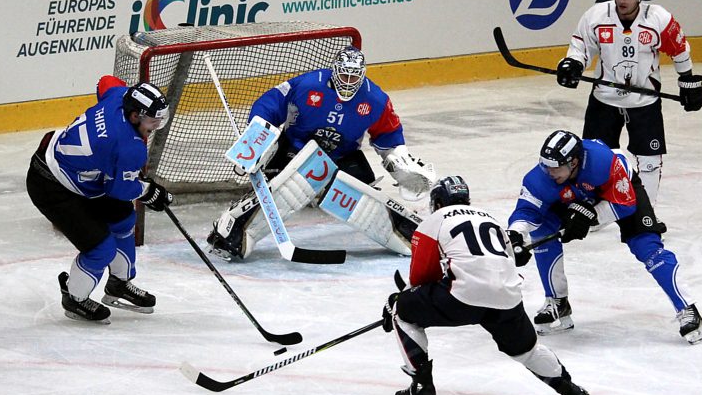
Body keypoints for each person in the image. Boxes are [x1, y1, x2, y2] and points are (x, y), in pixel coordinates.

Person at [381, 176, 594, 395]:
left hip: (461, 297)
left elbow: (421, 277)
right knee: (527, 351)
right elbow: (509, 263)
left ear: (438, 202)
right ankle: (570, 390)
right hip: (507, 299)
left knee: (401, 309)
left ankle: (420, 390)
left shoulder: (434, 221)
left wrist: (401, 299)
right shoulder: (490, 219)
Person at [207, 45, 435, 261]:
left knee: (364, 194)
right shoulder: (308, 85)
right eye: (344, 75)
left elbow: (388, 134)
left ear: (363, 75)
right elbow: (271, 102)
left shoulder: (375, 99)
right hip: (294, 152)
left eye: (354, 77)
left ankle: (410, 235)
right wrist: (256, 138)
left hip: (342, 157)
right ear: (334, 71)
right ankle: (233, 230)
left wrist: (398, 159)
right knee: (282, 189)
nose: (348, 82)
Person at [506, 130, 702, 344]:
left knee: (647, 247)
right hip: (578, 197)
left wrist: (591, 216)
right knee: (542, 228)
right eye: (545, 165)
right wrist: (516, 234)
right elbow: (528, 210)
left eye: (554, 167)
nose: (548, 172)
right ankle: (557, 301)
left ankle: (687, 308)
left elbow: (625, 204)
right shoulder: (541, 177)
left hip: (621, 193)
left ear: (573, 162)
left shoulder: (602, 162)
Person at [556, 0, 702, 219]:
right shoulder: (596, 16)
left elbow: (680, 48)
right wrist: (572, 64)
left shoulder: (658, 18)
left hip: (644, 101)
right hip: (604, 99)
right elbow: (580, 46)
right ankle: (591, 207)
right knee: (593, 155)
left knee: (649, 160)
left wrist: (688, 80)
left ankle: (645, 214)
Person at [26, 76, 174, 324]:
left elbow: (106, 81)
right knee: (101, 250)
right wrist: (148, 192)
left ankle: (119, 283)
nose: (157, 124)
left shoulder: (118, 96)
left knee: (125, 219)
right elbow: (119, 190)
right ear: (135, 116)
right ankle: (75, 298)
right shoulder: (129, 148)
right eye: (152, 119)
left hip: (78, 171)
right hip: (50, 185)